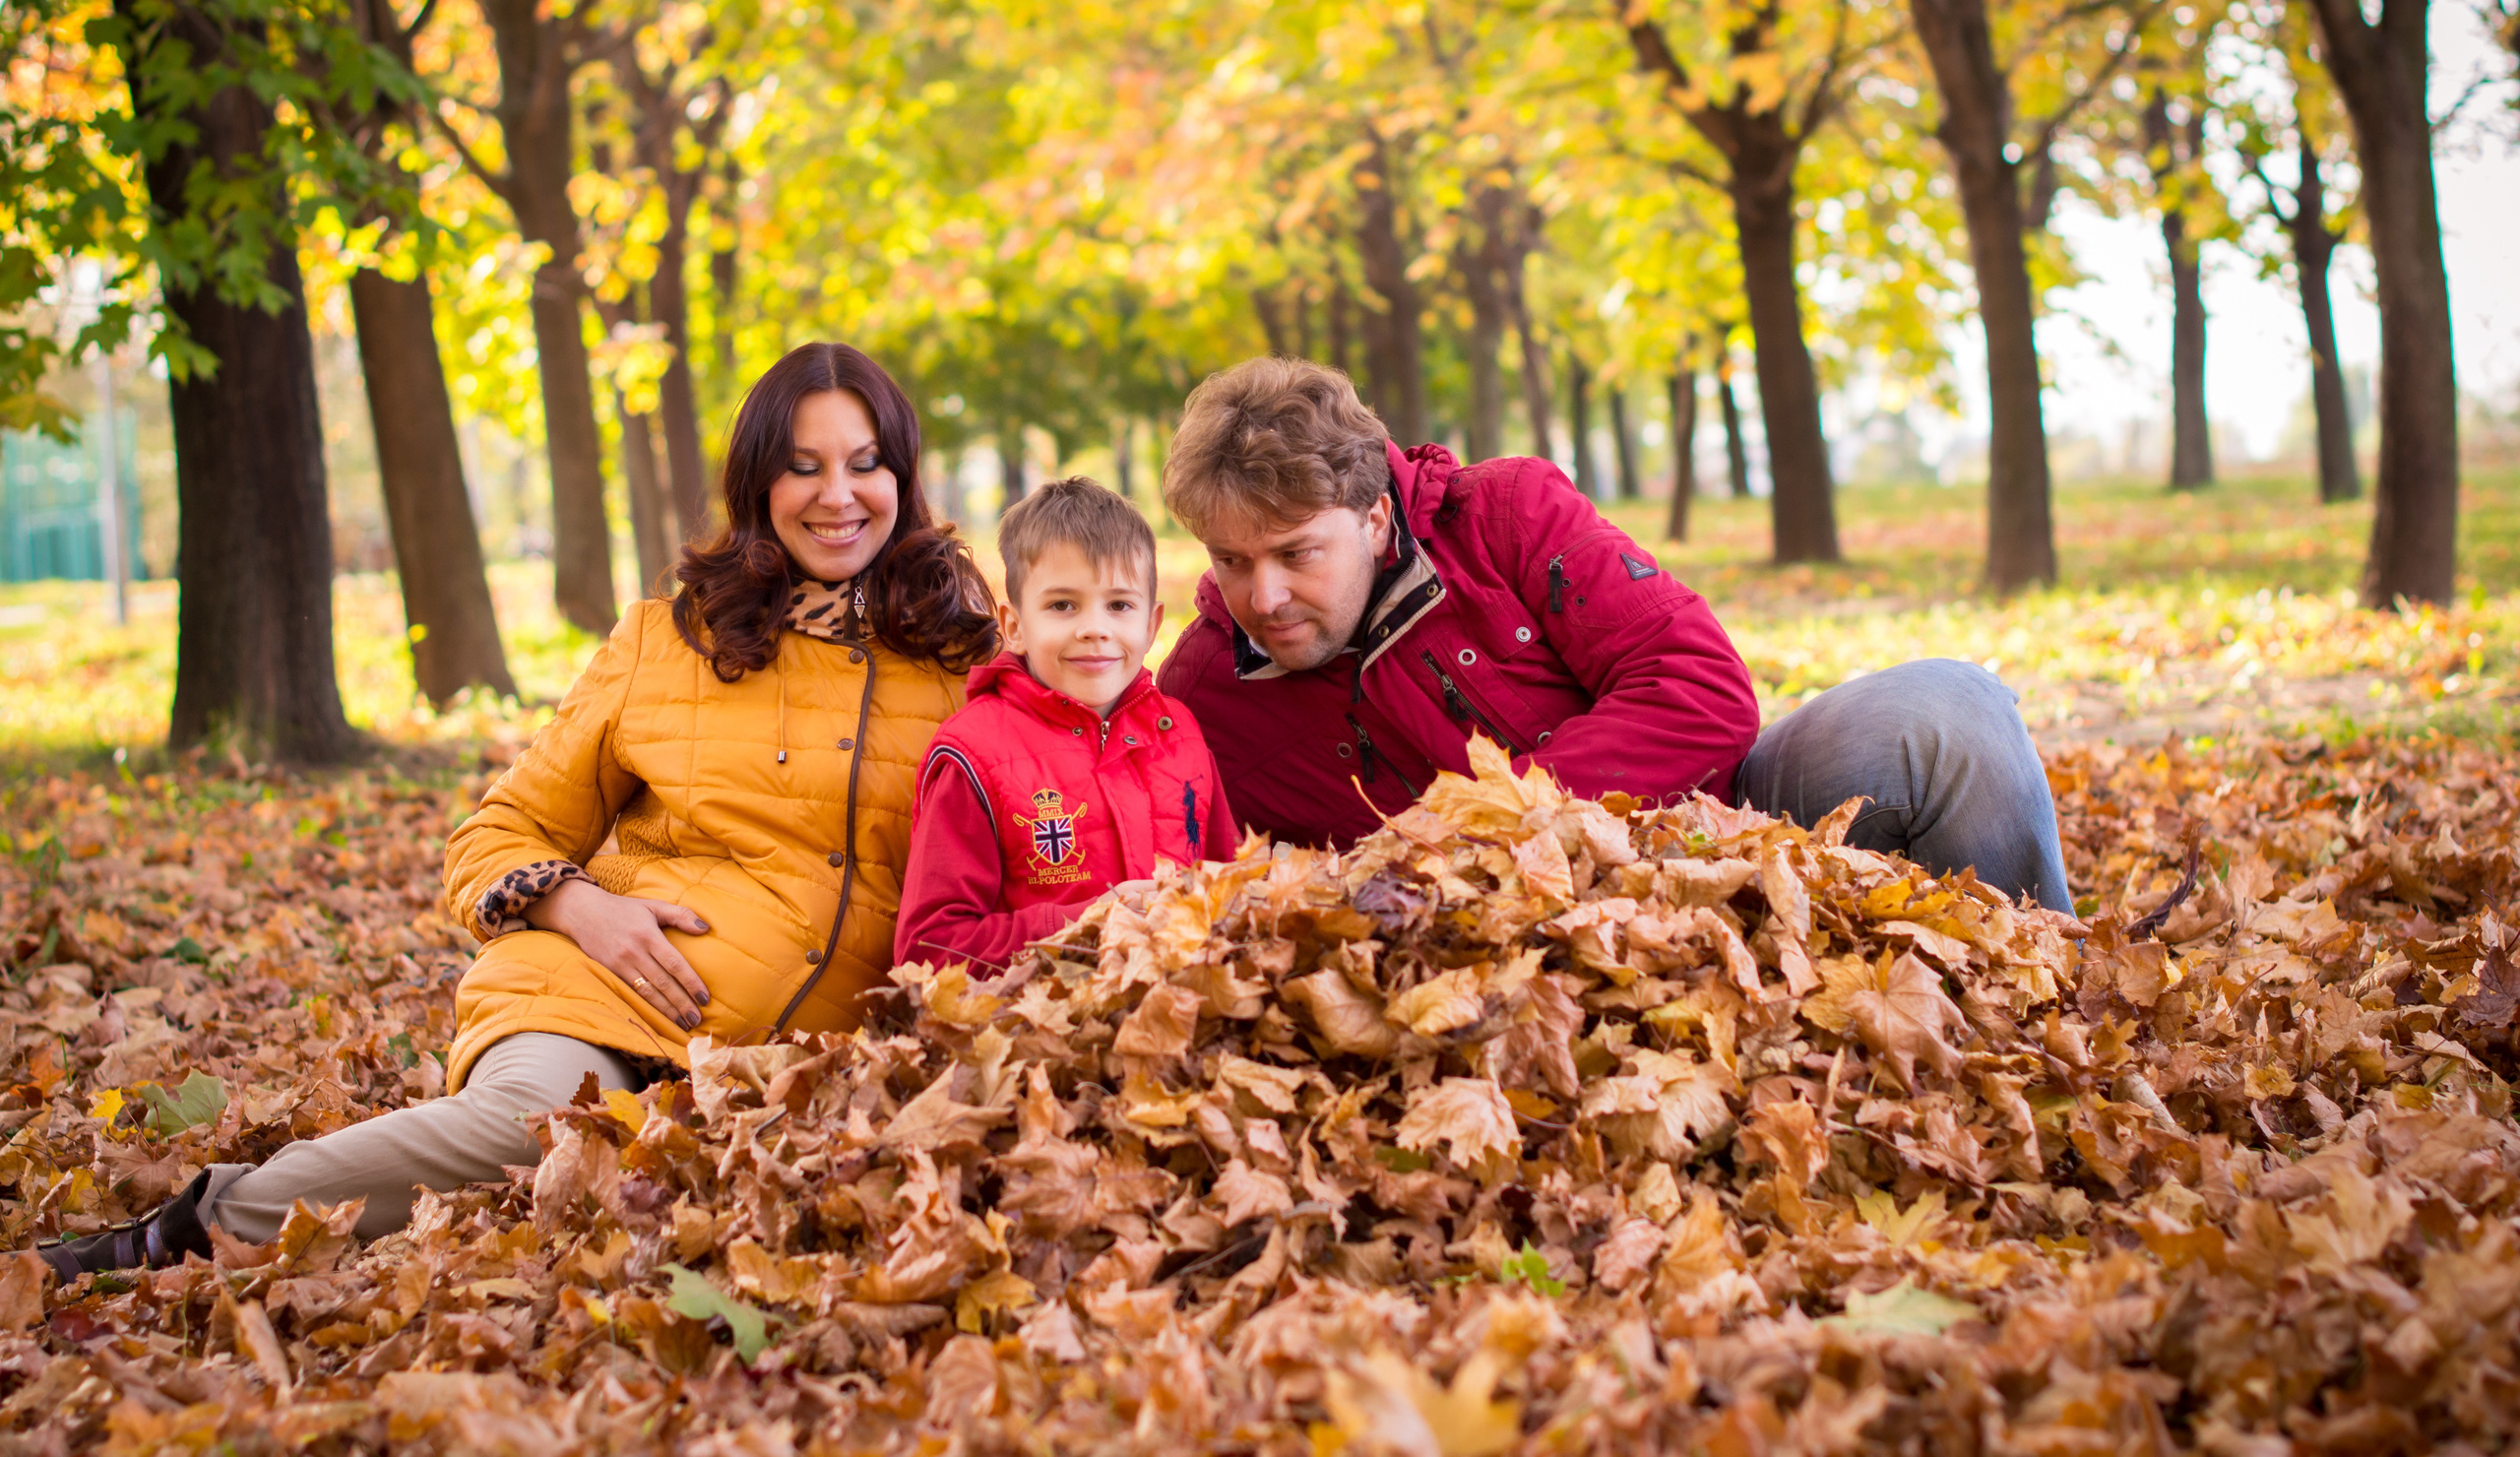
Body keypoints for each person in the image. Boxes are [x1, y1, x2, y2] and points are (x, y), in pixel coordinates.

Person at [40, 343, 997, 1278]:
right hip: (591, 1001)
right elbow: (497, 836)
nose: (839, 495)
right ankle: (191, 1225)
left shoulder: (967, 666)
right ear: (759, 486)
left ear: (903, 481)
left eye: (865, 464)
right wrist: (582, 907)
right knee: (536, 1129)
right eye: (804, 468)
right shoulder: (665, 644)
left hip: (788, 1073)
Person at [1155, 357, 2073, 915]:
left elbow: (1703, 689)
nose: (1262, 595)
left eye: (1294, 553)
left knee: (1950, 712)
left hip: (1719, 832)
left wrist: (1501, 821)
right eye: (1230, 560)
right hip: (1492, 965)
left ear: (1373, 517)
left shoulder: (1503, 514)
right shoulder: (1205, 690)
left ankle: (2048, 999)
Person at [895, 477, 1236, 973]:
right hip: (1038, 1037)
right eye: (1062, 605)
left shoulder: (1179, 733)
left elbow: (1228, 886)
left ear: (1151, 624)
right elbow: (927, 948)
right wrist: (1089, 924)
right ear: (1014, 626)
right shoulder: (973, 754)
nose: (1094, 628)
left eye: (1119, 605)